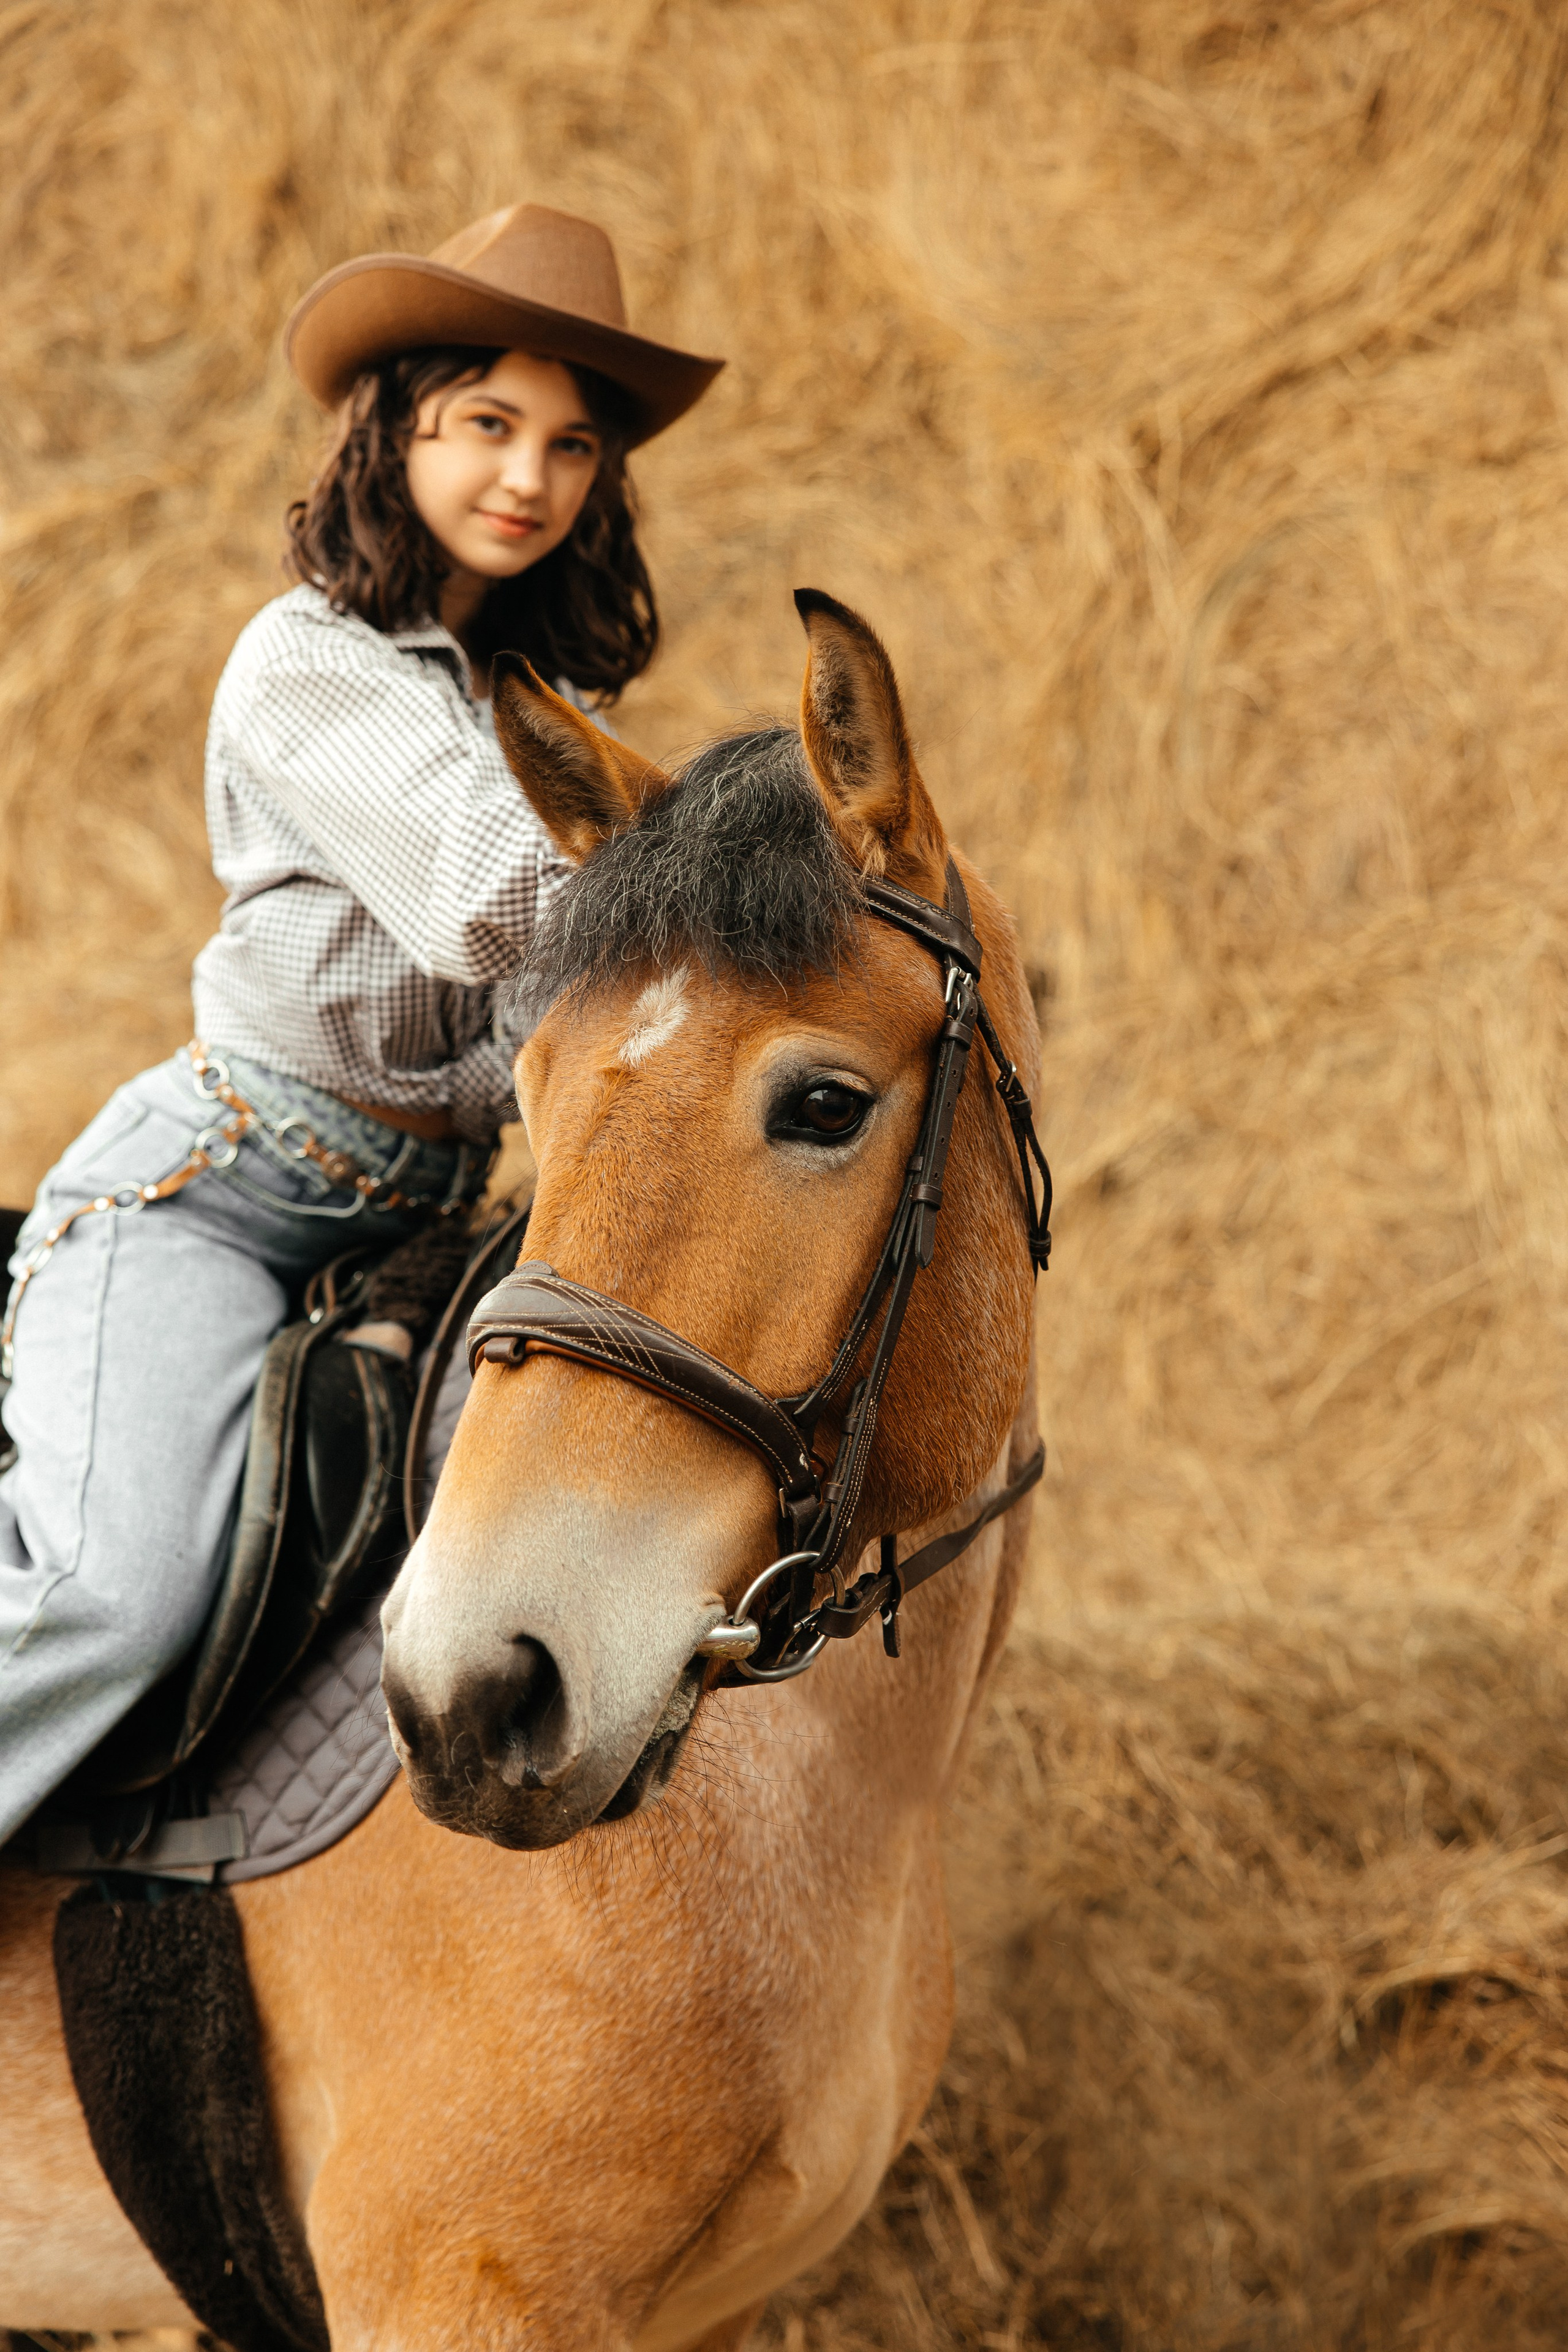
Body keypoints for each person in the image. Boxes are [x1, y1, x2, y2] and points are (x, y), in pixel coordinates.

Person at [0, 202, 723, 1847]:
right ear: (392, 429)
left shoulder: (551, 721)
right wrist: (743, 886)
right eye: (485, 425)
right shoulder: (305, 666)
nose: (527, 478)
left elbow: (592, 1018)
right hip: (223, 1200)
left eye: (571, 445)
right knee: (112, 1593)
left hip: (429, 1231)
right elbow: (496, 900)